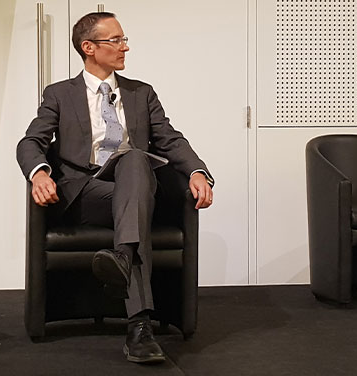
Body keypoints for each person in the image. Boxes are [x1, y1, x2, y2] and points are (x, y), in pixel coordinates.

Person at [17, 12, 214, 364]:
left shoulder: (142, 93)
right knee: (136, 206)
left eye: (124, 39)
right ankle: (140, 329)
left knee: (135, 159)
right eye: (116, 40)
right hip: (84, 192)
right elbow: (31, 141)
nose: (126, 47)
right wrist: (39, 173)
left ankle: (124, 263)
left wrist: (198, 172)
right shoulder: (60, 94)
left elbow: (170, 140)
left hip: (133, 186)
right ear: (88, 47)